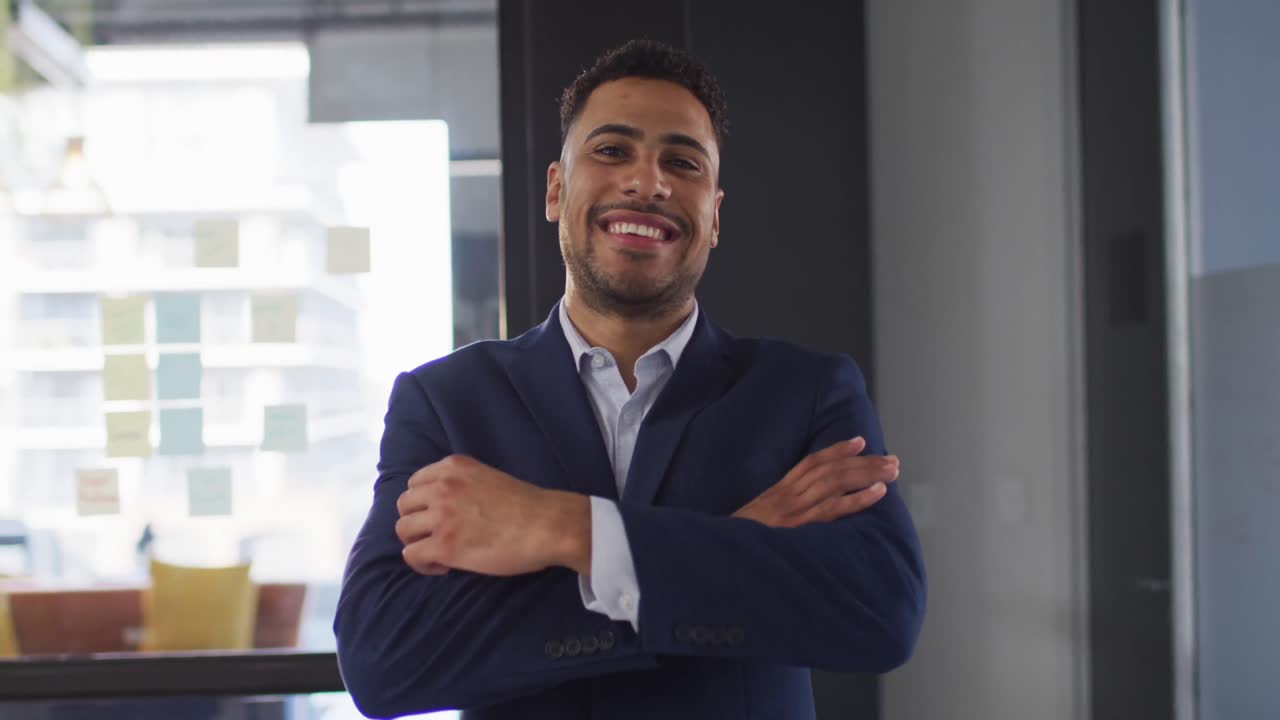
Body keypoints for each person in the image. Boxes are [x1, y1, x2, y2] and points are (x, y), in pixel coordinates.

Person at [334, 38, 925, 720]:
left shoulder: (807, 394)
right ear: (556, 189)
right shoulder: (446, 404)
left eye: (682, 161)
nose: (648, 182)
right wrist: (734, 542)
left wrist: (564, 528)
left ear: (715, 217)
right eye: (612, 150)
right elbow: (383, 662)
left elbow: (881, 613)